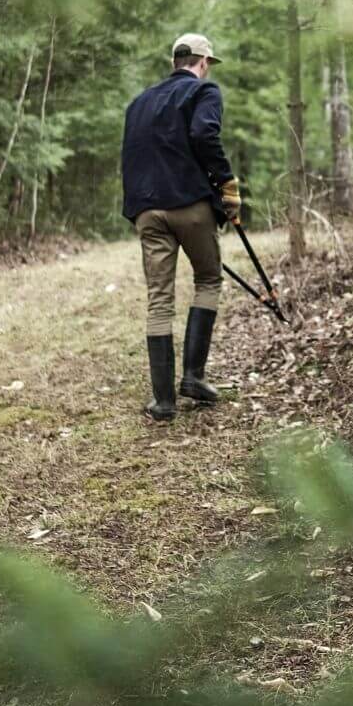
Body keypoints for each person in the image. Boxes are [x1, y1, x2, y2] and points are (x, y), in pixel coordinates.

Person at [121, 33, 241, 421]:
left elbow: (131, 156)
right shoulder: (204, 92)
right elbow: (204, 134)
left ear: (175, 60)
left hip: (146, 210)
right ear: (203, 61)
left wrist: (137, 208)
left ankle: (163, 402)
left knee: (159, 299)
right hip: (190, 205)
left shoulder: (138, 104)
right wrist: (227, 188)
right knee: (208, 279)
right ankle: (192, 377)